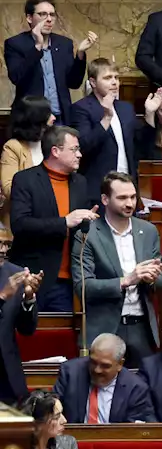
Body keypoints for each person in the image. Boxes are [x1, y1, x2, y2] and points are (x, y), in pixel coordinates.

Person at [72, 172, 162, 366]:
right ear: (105, 199)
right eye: (122, 198)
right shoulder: (87, 235)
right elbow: (83, 287)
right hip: (105, 328)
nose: (130, 203)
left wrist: (152, 277)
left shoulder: (148, 231)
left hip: (141, 327)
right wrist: (126, 280)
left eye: (132, 197)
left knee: (146, 389)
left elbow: (161, 281)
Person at [10, 125, 95, 312]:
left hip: (67, 280)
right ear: (55, 151)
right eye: (74, 149)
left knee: (59, 337)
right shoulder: (25, 180)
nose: (80, 154)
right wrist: (64, 222)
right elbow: (20, 224)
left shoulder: (80, 183)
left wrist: (89, 222)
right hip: (32, 276)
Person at [5, 0, 95, 124]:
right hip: (30, 120)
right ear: (29, 18)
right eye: (42, 14)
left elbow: (74, 83)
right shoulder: (15, 44)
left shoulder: (64, 44)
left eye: (52, 15)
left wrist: (80, 53)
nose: (49, 19)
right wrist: (37, 47)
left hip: (60, 119)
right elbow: (17, 78)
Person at [53, 333, 155, 423]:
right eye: (93, 362)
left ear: (120, 364)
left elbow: (131, 431)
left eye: (105, 366)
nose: (97, 370)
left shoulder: (136, 388)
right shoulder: (71, 372)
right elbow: (52, 407)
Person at [70, 58, 138, 186]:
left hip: (127, 182)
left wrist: (150, 114)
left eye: (116, 77)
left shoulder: (126, 108)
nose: (114, 82)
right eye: (107, 78)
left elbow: (137, 144)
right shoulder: (81, 108)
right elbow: (83, 146)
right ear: (93, 82)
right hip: (98, 185)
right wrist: (106, 118)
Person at [0, 95, 54, 228]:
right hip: (23, 221)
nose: (54, 117)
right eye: (49, 114)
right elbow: (8, 187)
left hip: (52, 217)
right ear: (37, 118)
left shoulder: (51, 143)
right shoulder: (13, 147)